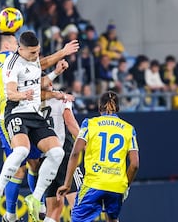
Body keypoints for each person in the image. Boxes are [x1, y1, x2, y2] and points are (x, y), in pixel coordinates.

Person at [0, 31, 79, 222]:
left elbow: (42, 72)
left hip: (34, 115)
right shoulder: (10, 62)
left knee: (56, 153)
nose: (36, 57)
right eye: (32, 53)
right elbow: (10, 92)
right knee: (21, 151)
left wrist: (59, 65)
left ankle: (35, 197)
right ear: (19, 49)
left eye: (37, 52)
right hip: (15, 113)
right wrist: (22, 95)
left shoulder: (31, 61)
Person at [57, 91, 139, 222]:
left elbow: (75, 153)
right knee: (112, 219)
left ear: (99, 107)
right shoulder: (129, 129)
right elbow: (134, 164)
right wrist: (126, 186)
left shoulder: (89, 124)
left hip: (93, 183)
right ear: (118, 108)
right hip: (117, 185)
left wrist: (67, 184)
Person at [41, 83, 82, 222]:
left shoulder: (32, 101)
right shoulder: (62, 98)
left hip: (45, 157)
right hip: (64, 155)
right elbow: (70, 122)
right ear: (50, 83)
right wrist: (86, 142)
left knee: (53, 210)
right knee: (78, 204)